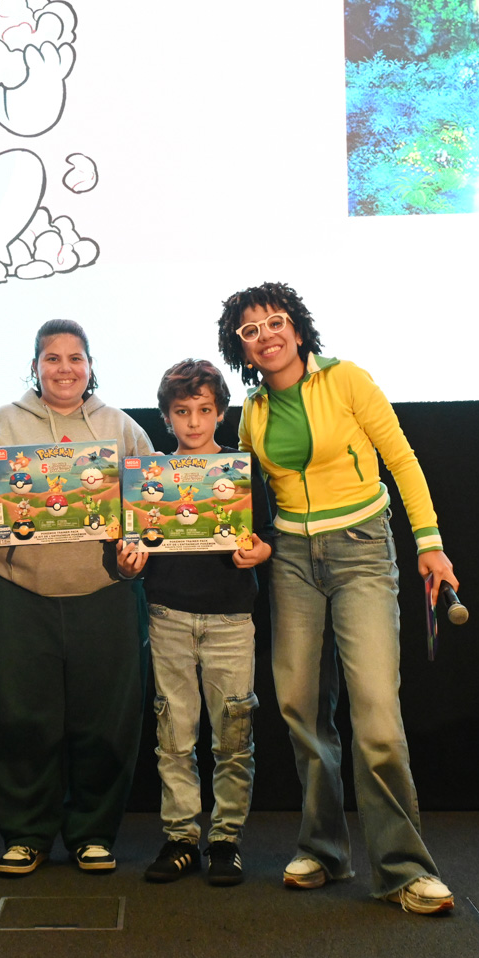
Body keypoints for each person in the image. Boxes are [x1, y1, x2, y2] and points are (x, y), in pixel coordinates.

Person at [217, 282, 459, 915]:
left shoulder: (346, 379)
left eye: (275, 322)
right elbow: (247, 499)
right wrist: (254, 543)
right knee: (300, 708)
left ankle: (404, 869)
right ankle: (323, 850)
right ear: (241, 347)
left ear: (297, 329)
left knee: (376, 713)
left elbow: (401, 459)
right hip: (292, 561)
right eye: (250, 330)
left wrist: (429, 543)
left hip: (361, 550)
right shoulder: (252, 413)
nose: (265, 336)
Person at [0, 320, 152, 876]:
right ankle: (26, 834)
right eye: (52, 358)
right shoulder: (3, 421)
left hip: (105, 592)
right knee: (20, 718)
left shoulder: (122, 427)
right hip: (17, 592)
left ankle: (93, 832)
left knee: (106, 721)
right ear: (35, 366)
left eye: (75, 358)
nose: (65, 368)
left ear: (90, 366)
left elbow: (151, 511)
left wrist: (137, 551)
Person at [116, 359, 272, 887]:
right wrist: (128, 562)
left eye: (204, 410)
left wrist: (259, 551)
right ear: (166, 417)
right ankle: (181, 837)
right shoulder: (150, 477)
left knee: (233, 734)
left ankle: (225, 840)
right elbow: (133, 551)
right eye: (182, 412)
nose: (194, 422)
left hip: (231, 619)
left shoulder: (240, 470)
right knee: (174, 735)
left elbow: (267, 535)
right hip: (168, 617)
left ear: (221, 412)